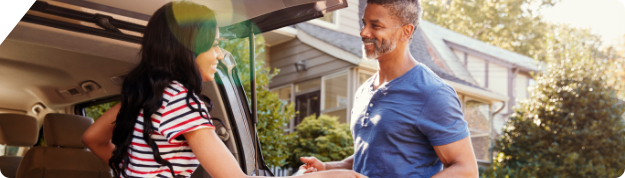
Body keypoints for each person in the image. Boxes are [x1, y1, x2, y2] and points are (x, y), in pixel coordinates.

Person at [81, 1, 366, 178]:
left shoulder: (145, 94)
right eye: (214, 43)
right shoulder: (181, 100)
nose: (219, 53)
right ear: (189, 48)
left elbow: (92, 137)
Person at [299, 0, 479, 177]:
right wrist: (327, 167)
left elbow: (466, 170)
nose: (363, 32)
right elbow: (374, 156)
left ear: (405, 32)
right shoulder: (364, 91)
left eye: (375, 26)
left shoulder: (432, 93)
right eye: (364, 23)